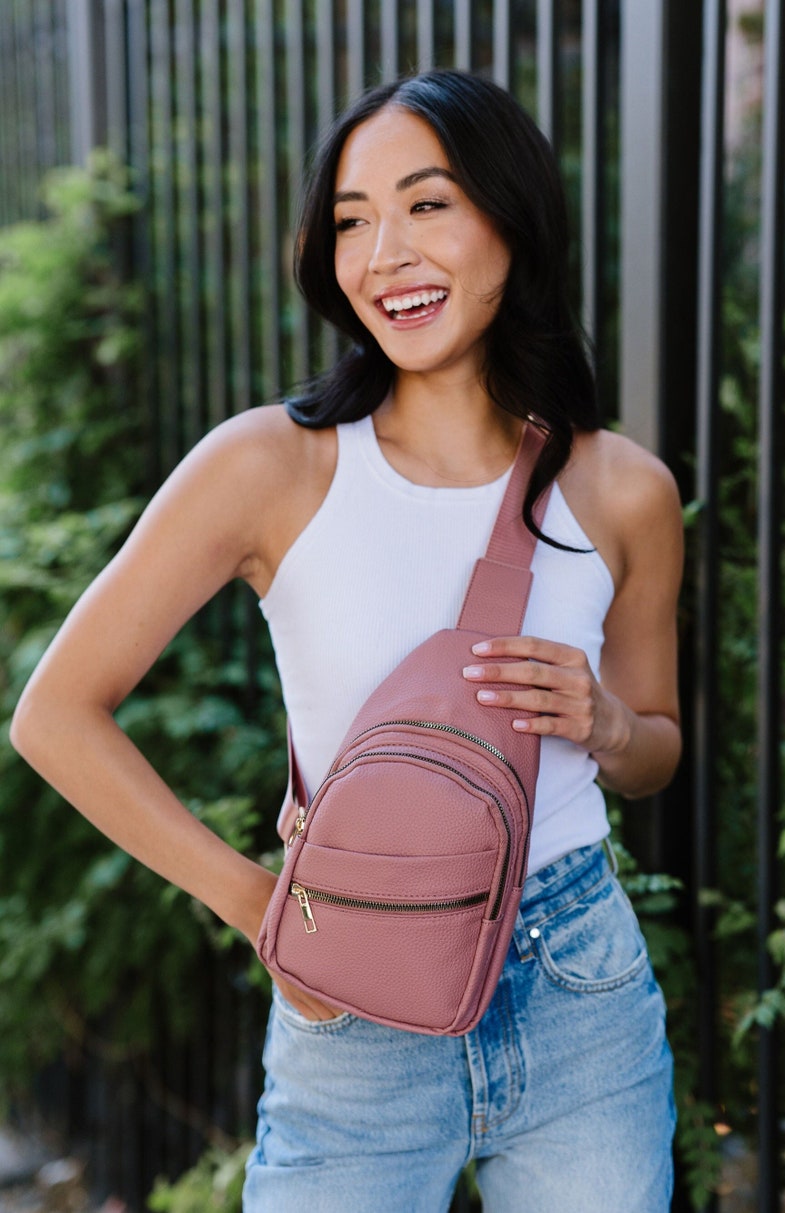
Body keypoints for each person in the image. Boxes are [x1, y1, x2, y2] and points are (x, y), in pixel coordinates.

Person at [11, 70, 682, 1212]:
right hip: (352, 1005)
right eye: (351, 221)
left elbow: (655, 749)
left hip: (579, 986)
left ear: (509, 221)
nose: (382, 254)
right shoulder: (272, 465)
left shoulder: (621, 489)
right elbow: (54, 715)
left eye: (426, 205)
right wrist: (256, 905)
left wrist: (609, 723)